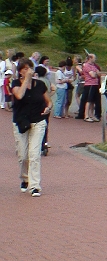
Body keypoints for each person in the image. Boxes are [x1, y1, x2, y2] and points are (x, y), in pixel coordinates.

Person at [11, 58, 51, 197]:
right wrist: (26, 80)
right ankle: (25, 179)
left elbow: (48, 101)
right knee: (23, 155)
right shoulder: (15, 83)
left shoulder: (39, 85)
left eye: (30, 68)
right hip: (21, 122)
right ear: (20, 71)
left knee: (34, 154)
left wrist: (48, 108)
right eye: (24, 69)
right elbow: (19, 95)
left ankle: (35, 186)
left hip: (38, 121)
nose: (28, 71)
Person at [79, 53, 101, 122]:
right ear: (90, 58)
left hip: (95, 84)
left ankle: (91, 115)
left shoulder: (94, 66)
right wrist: (96, 73)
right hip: (89, 84)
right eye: (94, 58)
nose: (95, 59)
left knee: (93, 101)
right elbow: (93, 75)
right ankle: (86, 115)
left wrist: (96, 73)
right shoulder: (87, 66)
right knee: (88, 100)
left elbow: (99, 74)